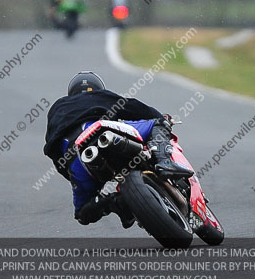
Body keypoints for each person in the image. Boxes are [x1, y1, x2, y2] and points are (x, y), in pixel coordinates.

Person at [43, 71, 194, 227]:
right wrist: (162, 118)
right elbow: (133, 107)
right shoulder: (99, 95)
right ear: (97, 88)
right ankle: (164, 162)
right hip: (101, 130)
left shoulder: (57, 107)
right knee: (157, 124)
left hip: (74, 157)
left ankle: (116, 202)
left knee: (82, 213)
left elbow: (52, 149)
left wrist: (75, 176)